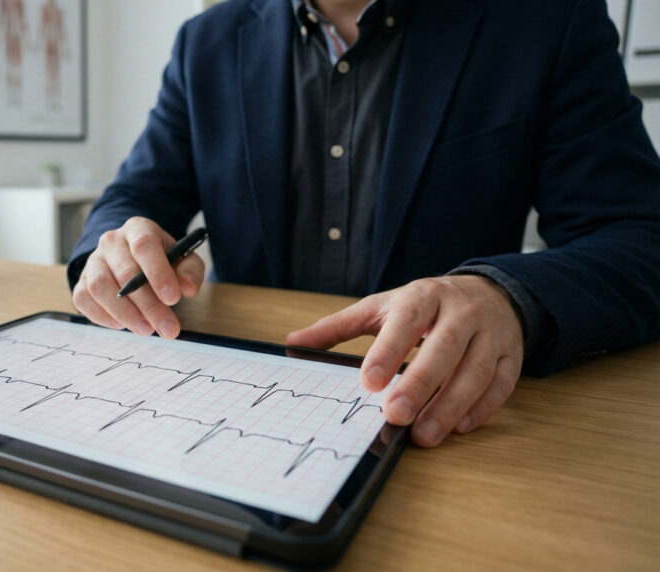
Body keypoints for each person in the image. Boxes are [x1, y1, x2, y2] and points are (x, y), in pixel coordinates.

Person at [67, 0, 660, 448]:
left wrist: (507, 295)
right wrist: (114, 244)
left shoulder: (545, 20)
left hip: (447, 420)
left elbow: (640, 234)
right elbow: (134, 195)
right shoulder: (208, 42)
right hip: (232, 411)